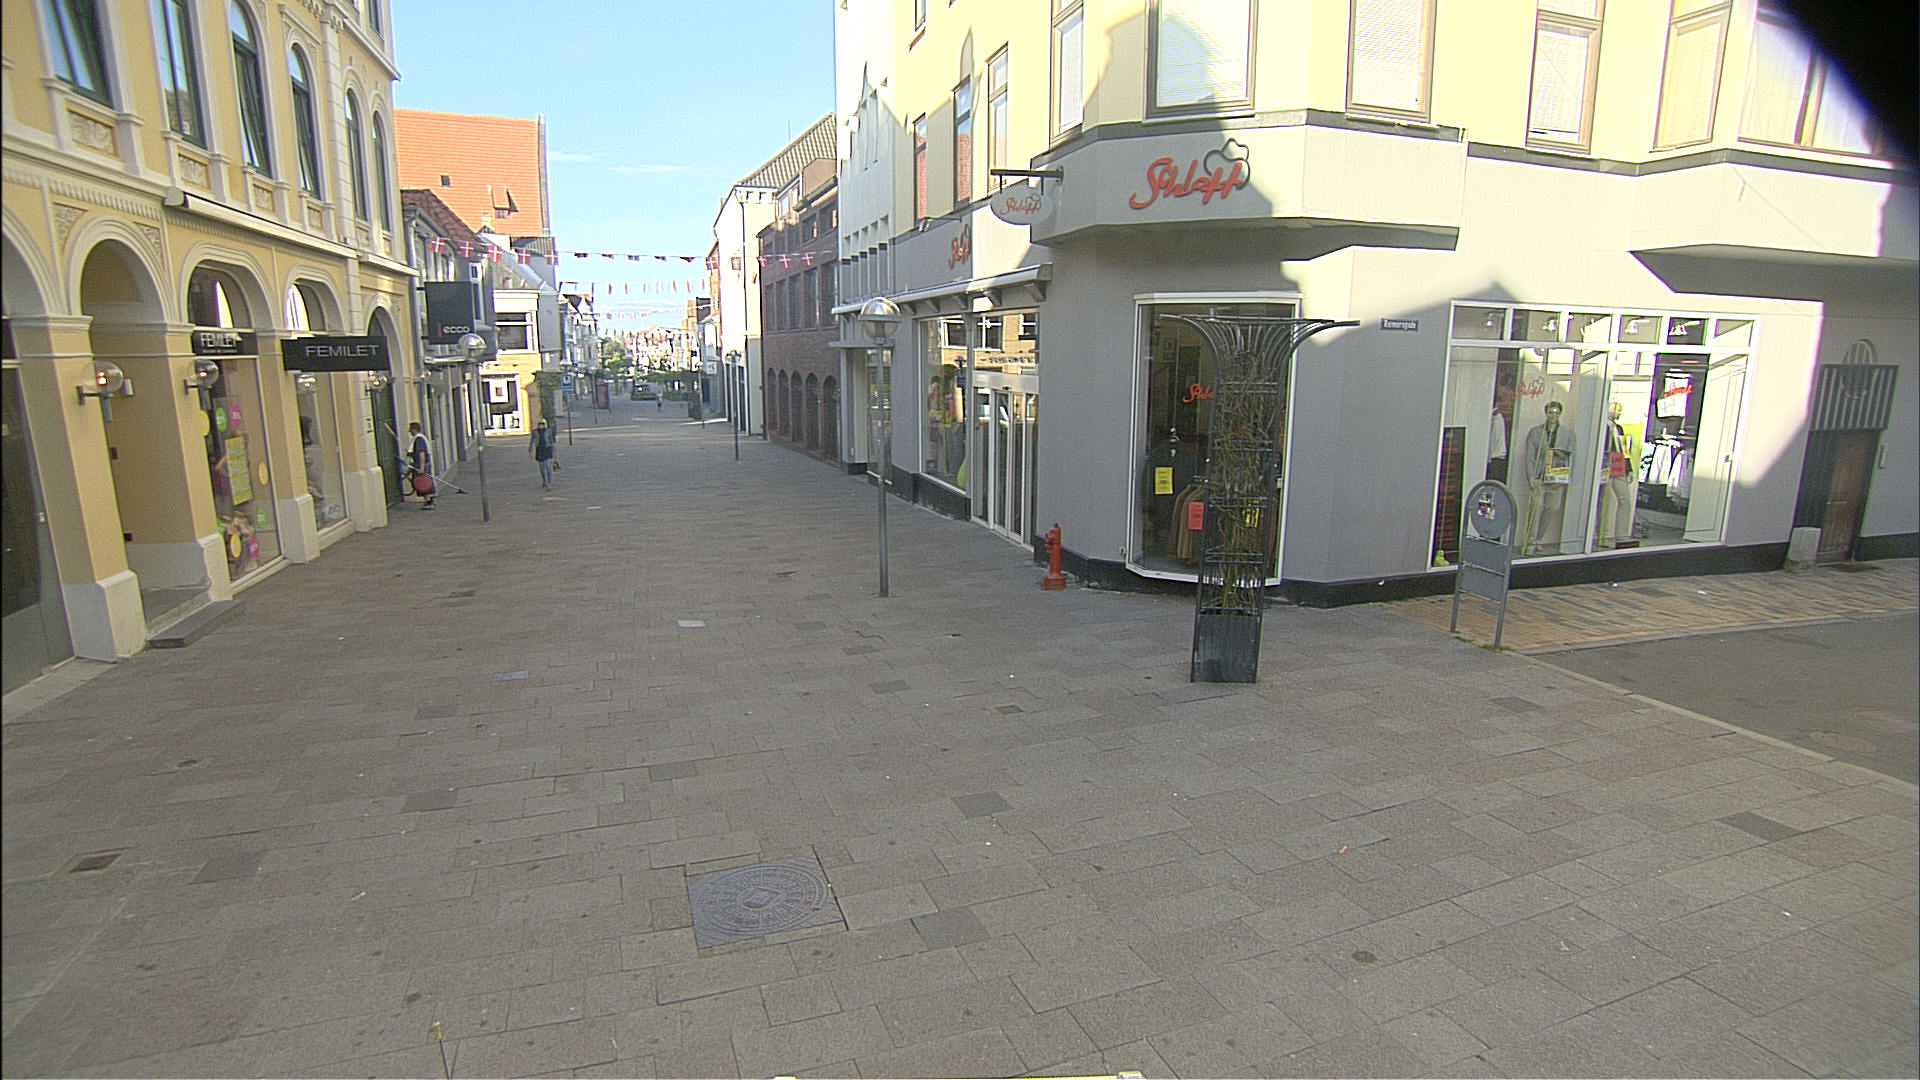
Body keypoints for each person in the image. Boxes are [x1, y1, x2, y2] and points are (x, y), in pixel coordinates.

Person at [1522, 400, 1573, 554]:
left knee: (1551, 508)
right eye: (1551, 412)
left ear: (1560, 414)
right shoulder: (1536, 432)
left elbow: (1570, 456)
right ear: (1546, 413)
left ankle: (1539, 539)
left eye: (1556, 413)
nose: (1553, 416)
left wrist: (1564, 478)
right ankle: (1530, 541)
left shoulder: (1567, 433)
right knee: (1535, 508)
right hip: (1539, 475)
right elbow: (1530, 455)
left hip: (1556, 478)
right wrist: (1531, 475)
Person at [1596, 400, 1639, 548]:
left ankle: (1621, 535)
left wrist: (1629, 469)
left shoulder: (1619, 428)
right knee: (1604, 502)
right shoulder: (1601, 426)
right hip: (1606, 465)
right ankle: (1601, 535)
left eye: (1620, 410)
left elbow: (1625, 450)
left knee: (1625, 500)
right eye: (1617, 409)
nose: (1619, 413)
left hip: (1619, 465)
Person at [406, 421, 435, 509]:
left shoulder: (418, 439)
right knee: (424, 482)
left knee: (423, 483)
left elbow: (421, 454)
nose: (409, 431)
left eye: (410, 429)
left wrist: (421, 467)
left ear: (414, 429)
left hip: (421, 464)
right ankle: (429, 500)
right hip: (423, 464)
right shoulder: (420, 438)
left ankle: (429, 501)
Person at [529, 418, 556, 490]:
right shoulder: (535, 432)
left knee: (548, 467)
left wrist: (554, 451)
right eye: (539, 424)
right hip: (539, 451)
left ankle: (549, 483)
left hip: (547, 450)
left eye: (542, 424)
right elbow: (531, 442)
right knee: (542, 468)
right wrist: (530, 451)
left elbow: (551, 441)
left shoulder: (548, 431)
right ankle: (544, 480)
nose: (541, 425)